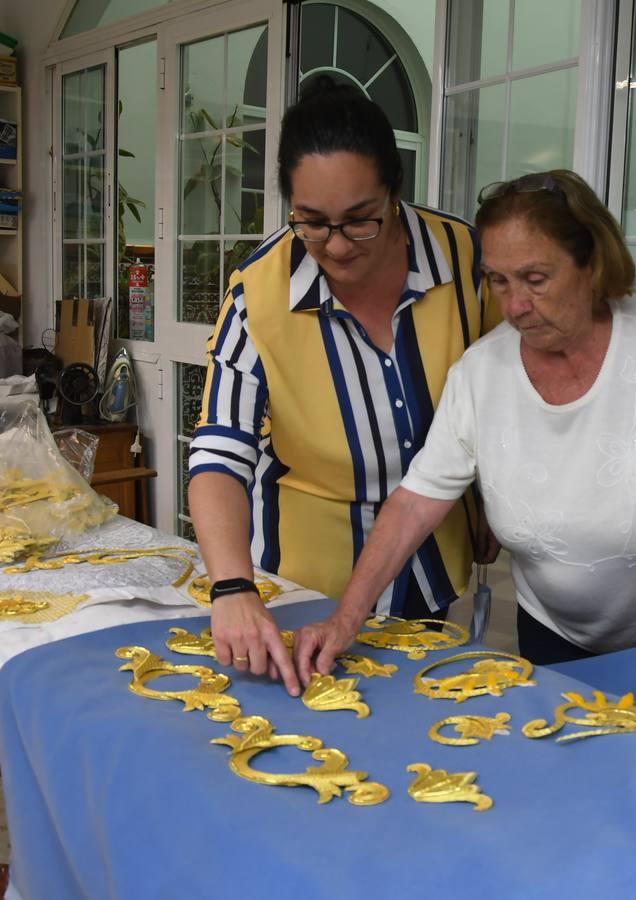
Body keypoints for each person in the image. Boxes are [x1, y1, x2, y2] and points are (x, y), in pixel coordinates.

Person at [293, 169, 636, 678]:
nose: (514, 306)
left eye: (536, 280)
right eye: (498, 280)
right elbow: (414, 504)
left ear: (591, 265)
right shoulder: (481, 371)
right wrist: (345, 619)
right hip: (550, 629)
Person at [188, 79, 500, 695]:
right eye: (312, 223)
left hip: (431, 562)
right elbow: (221, 453)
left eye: (360, 221)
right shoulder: (258, 294)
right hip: (309, 582)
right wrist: (232, 586)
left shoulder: (465, 258)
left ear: (395, 193)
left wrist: (491, 493)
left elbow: (505, 386)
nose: (334, 245)